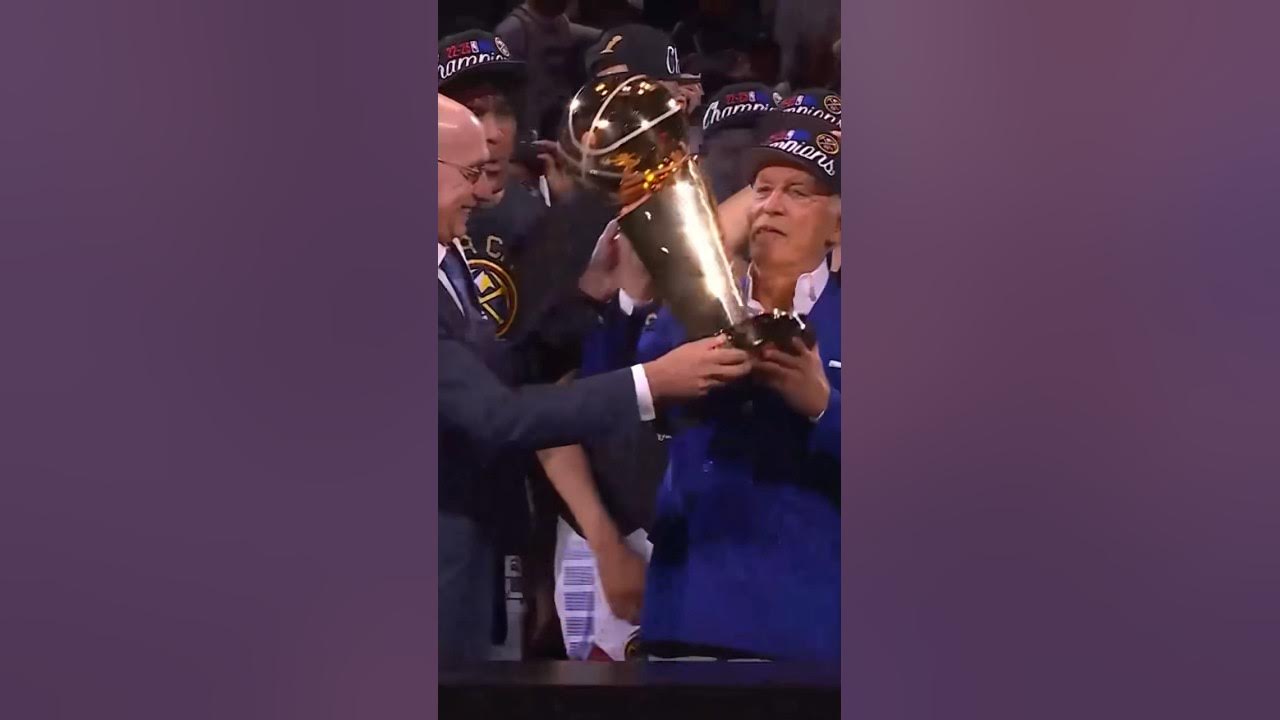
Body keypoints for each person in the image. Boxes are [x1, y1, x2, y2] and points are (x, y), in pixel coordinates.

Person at [436, 95, 753, 663]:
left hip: (488, 553)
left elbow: (506, 375)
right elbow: (497, 416)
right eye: (470, 175)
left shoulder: (449, 260)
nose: (484, 192)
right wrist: (652, 382)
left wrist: (593, 297)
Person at [635, 113, 843, 661]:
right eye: (762, 189)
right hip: (687, 607)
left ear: (840, 226)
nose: (771, 205)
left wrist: (823, 406)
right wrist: (629, 298)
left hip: (806, 622)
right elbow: (618, 404)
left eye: (798, 192)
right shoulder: (690, 309)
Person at [495, 0, 601, 139]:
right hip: (527, 124)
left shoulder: (559, 23)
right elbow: (505, 92)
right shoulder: (513, 31)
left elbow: (593, 36)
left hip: (558, 116)